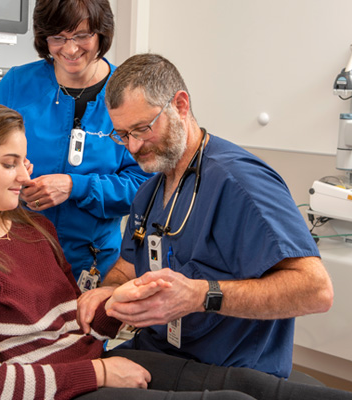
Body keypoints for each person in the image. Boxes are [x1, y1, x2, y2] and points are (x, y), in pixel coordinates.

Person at [0, 102, 352, 400]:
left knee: (262, 389)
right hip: (64, 386)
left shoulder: (32, 229)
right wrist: (101, 371)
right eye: (9, 163)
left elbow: (80, 323)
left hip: (90, 361)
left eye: (24, 161)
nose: (26, 176)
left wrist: (117, 301)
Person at [77, 53, 335, 379]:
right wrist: (108, 289)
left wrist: (200, 296)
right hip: (160, 353)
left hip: (229, 369)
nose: (133, 146)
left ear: (181, 106)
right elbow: (129, 265)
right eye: (123, 134)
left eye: (142, 128)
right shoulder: (149, 192)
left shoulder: (239, 183)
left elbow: (316, 290)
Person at [0, 0, 151, 282]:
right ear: (44, 38)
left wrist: (76, 186)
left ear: (101, 33)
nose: (70, 49)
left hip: (93, 261)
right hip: (17, 252)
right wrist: (13, 174)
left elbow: (144, 185)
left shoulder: (128, 94)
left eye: (82, 36)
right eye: (58, 38)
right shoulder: (17, 84)